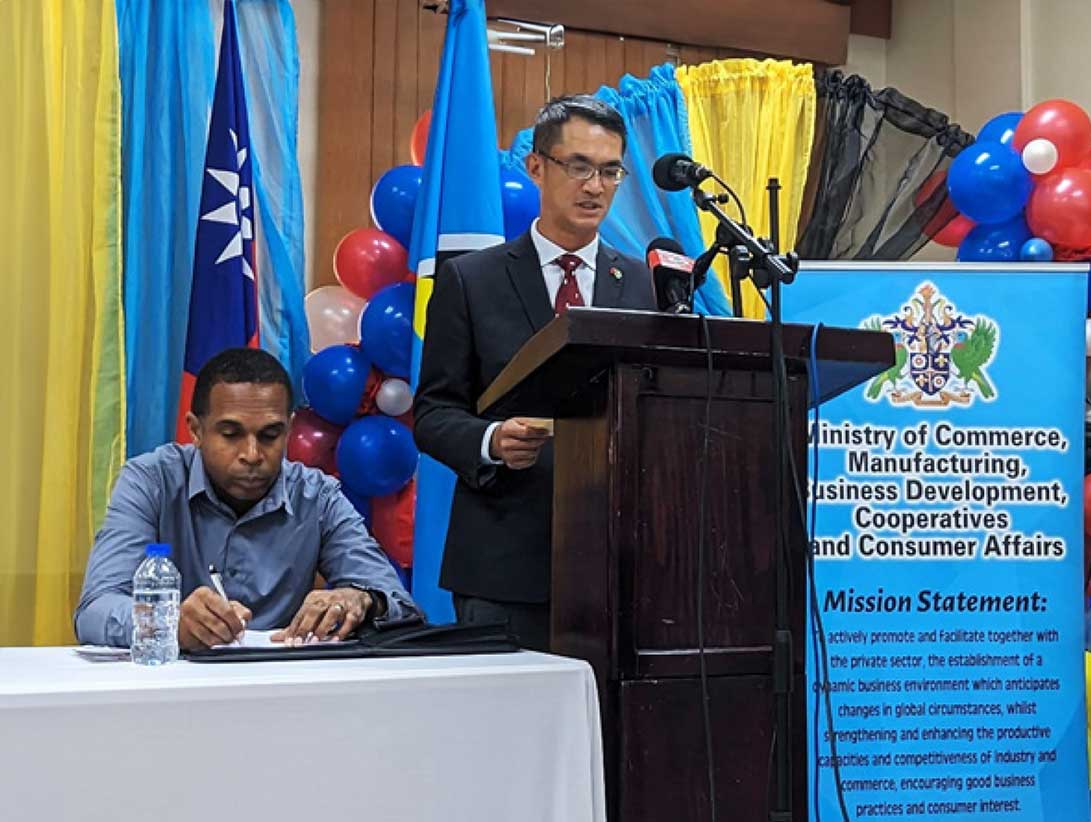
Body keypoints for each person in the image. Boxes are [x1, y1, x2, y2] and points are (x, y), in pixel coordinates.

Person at [413, 95, 656, 650]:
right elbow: (431, 413)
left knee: (606, 734)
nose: (595, 186)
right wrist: (491, 440)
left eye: (609, 171)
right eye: (578, 167)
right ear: (537, 167)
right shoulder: (472, 280)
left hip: (618, 565)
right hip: (503, 566)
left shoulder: (643, 285)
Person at [76, 348, 421, 650]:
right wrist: (168, 624)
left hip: (283, 695)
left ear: (288, 429)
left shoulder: (317, 496)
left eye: (270, 435)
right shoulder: (151, 481)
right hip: (172, 695)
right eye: (231, 434)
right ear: (195, 429)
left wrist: (362, 599)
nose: (252, 454)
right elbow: (94, 611)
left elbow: (401, 607)